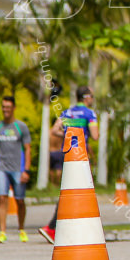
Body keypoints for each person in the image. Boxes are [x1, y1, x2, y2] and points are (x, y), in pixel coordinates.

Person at [38, 86, 98, 245]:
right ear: (86, 97)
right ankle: (53, 227)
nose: (92, 99)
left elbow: (54, 129)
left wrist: (68, 134)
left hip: (69, 156)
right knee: (81, 192)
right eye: (91, 96)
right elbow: (96, 136)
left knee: (70, 191)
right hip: (81, 157)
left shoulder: (67, 113)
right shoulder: (89, 114)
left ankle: (66, 228)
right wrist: (83, 133)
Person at [0, 96, 31, 244]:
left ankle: (21, 229)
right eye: (3, 107)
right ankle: (2, 232)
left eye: (8, 107)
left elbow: (27, 149)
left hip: (18, 168)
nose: (5, 109)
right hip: (2, 168)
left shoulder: (21, 127)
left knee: (19, 200)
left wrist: (26, 170)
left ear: (14, 108)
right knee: (1, 198)